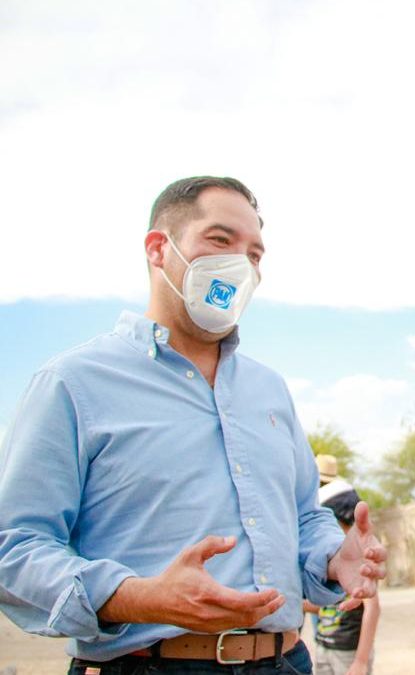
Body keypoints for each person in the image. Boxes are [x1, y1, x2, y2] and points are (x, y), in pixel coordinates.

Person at [0, 176, 387, 674]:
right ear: (159, 249)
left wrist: (335, 559)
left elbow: (304, 518)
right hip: (147, 663)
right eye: (221, 241)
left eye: (255, 254)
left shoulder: (269, 390)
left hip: (284, 660)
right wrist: (137, 597)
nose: (242, 265)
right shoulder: (73, 383)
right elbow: (15, 547)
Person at [304, 480, 380, 675]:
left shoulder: (360, 558)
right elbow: (327, 606)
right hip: (324, 647)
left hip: (348, 652)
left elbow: (372, 609)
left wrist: (361, 661)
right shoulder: (327, 560)